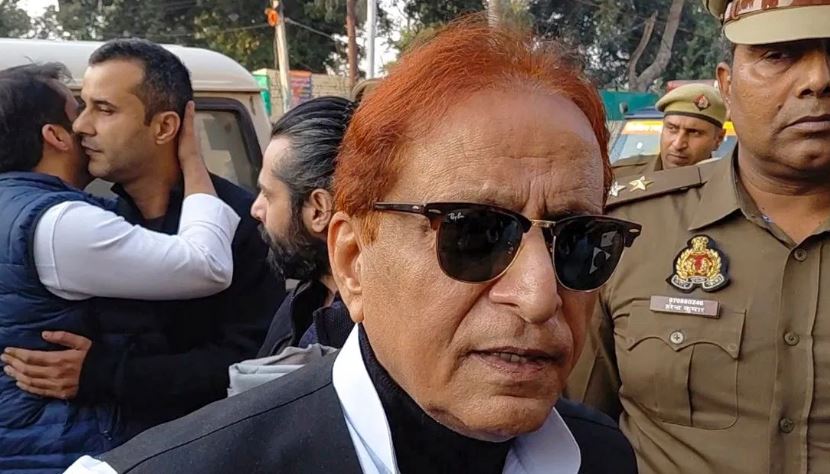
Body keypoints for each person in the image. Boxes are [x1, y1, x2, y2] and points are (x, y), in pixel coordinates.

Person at [66, 18, 640, 474]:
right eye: (476, 233)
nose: (539, 296)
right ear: (353, 260)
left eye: (579, 241)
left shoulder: (600, 456)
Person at [567, 1, 830, 472]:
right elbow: (576, 436)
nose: (818, 79)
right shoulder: (628, 229)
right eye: (778, 54)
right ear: (727, 85)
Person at [3, 39, 285, 442]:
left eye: (104, 109)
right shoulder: (94, 221)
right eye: (82, 107)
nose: (81, 126)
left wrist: (107, 373)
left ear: (165, 127)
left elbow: (256, 361)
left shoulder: (242, 222)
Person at [252, 96, 355, 357]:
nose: (256, 209)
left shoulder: (372, 337)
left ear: (318, 210)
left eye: (268, 195)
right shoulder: (306, 297)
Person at [613, 83, 726, 178]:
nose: (678, 144)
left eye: (694, 132)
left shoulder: (728, 187)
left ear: (718, 139)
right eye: (672, 128)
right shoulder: (622, 176)